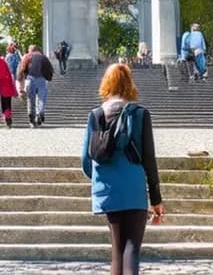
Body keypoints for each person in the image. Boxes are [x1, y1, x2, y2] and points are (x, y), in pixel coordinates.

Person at [81, 63, 164, 275]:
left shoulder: (95, 115)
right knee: (132, 249)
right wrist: (156, 199)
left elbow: (86, 160)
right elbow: (149, 159)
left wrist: (103, 178)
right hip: (134, 188)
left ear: (106, 84)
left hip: (108, 190)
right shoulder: (140, 114)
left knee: (117, 249)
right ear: (129, 84)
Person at [17, 44, 55, 127]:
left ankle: (31, 119)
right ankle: (40, 114)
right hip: (42, 79)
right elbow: (51, 69)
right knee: (41, 99)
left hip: (30, 79)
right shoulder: (44, 57)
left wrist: (21, 86)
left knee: (31, 100)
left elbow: (22, 70)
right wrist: (48, 78)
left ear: (31, 50)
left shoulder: (27, 57)